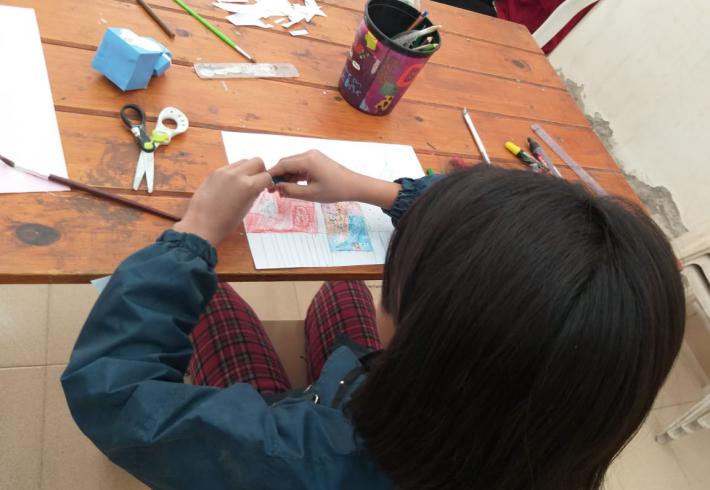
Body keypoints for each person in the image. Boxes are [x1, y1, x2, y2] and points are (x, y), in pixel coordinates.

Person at [62, 151, 685, 490]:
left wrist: (196, 233)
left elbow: (112, 394)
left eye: (395, 284)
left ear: (423, 348)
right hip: (373, 409)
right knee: (339, 291)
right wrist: (368, 187)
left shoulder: (295, 460)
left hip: (319, 433)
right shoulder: (556, 432)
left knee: (214, 302)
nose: (384, 287)